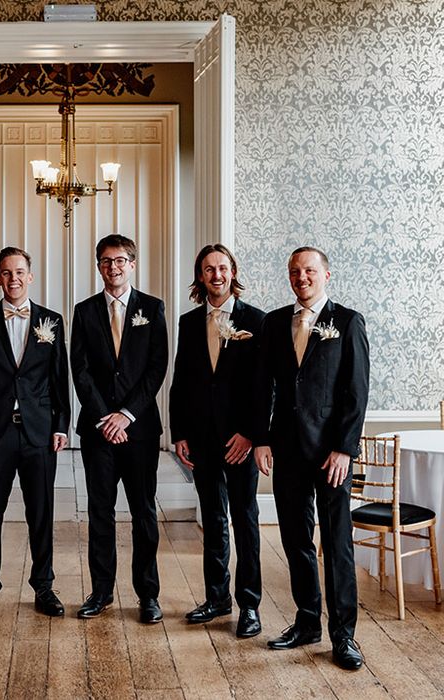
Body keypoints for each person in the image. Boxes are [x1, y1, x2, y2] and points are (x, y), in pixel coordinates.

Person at [253, 246, 369, 671]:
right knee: (295, 540)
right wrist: (262, 440)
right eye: (294, 272)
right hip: (286, 450)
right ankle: (306, 622)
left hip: (331, 454)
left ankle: (344, 635)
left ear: (326, 275)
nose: (301, 278)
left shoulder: (348, 322)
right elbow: (263, 387)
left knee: (337, 543)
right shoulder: (273, 322)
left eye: (309, 271)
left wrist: (344, 448)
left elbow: (356, 394)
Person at [0, 246, 71, 620]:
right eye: (6, 273)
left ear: (31, 276)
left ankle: (44, 586)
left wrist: (61, 425)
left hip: (39, 433)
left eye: (20, 272)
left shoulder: (51, 322)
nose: (13, 279)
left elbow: (61, 379)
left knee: (41, 512)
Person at [70, 234, 168, 623]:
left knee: (144, 513)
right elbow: (79, 371)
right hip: (98, 432)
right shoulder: (84, 311)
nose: (114, 267)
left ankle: (148, 594)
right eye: (106, 261)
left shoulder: (152, 308)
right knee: (100, 513)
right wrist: (104, 417)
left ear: (132, 264)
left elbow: (157, 367)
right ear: (98, 267)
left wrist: (126, 414)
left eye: (121, 260)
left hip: (140, 430)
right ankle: (101, 592)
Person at [170, 244, 265, 638]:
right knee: (212, 519)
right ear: (200, 276)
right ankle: (216, 597)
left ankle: (250, 605)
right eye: (208, 269)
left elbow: (265, 387)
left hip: (239, 440)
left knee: (244, 520)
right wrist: (179, 435)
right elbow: (181, 383)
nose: (216, 275)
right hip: (203, 439)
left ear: (232, 272)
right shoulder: (189, 322)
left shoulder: (256, 320)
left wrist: (251, 434)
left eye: (222, 268)